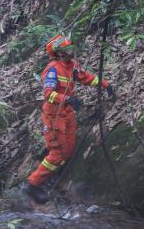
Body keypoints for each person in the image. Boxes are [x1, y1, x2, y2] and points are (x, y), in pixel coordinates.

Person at [24, 34, 115, 204]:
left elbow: (86, 77)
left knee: (68, 149)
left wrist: (105, 84)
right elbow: (48, 94)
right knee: (58, 153)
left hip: (67, 113)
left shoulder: (72, 66)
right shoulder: (52, 69)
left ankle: (48, 165)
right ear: (59, 53)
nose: (71, 50)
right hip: (54, 116)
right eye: (67, 49)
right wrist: (66, 99)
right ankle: (32, 184)